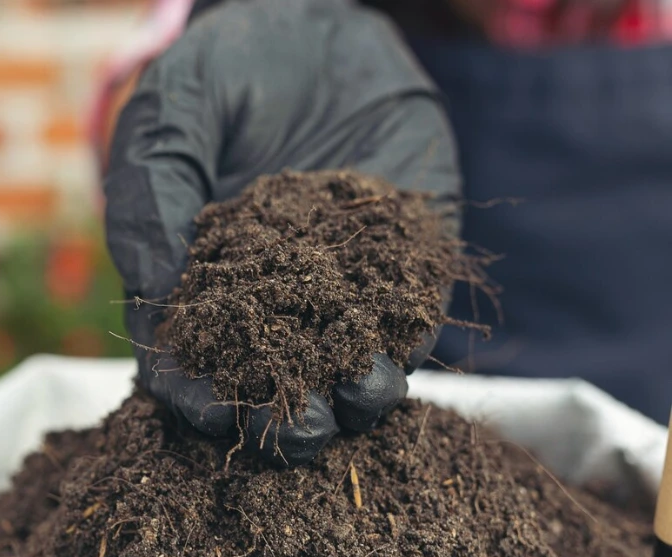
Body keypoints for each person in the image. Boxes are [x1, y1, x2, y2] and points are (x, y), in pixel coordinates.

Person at [94, 0, 672, 467]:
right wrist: (205, 60)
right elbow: (138, 90)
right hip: (411, 379)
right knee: (365, 404)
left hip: (647, 348)